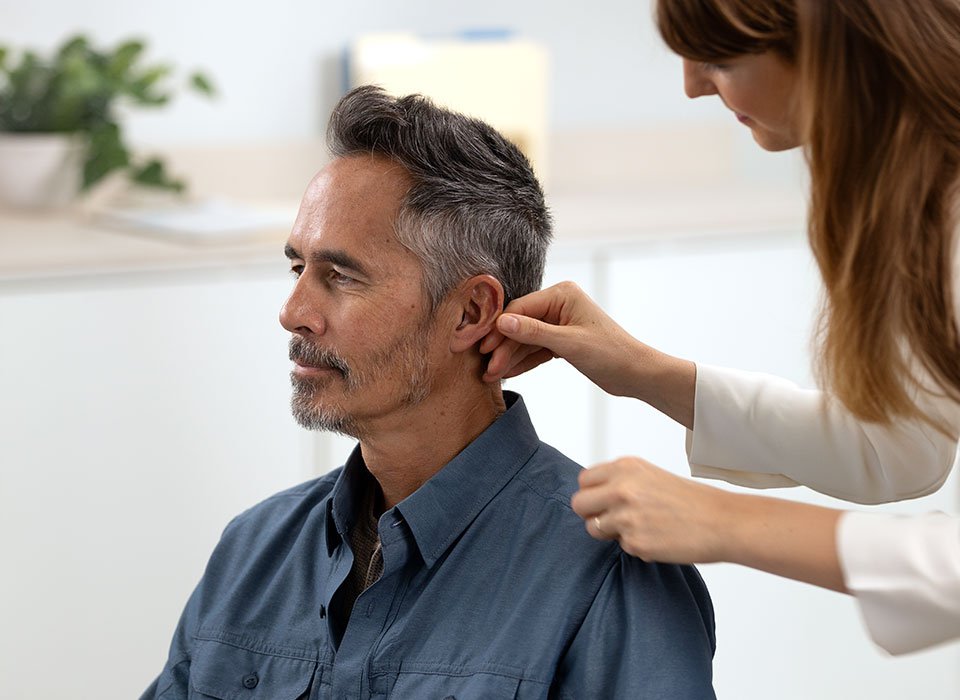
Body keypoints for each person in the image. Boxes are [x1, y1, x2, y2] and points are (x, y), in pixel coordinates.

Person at [140, 86, 716, 699]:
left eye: (341, 276)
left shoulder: (611, 574)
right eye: (296, 269)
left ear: (471, 312)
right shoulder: (254, 549)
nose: (294, 312)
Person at [482, 0, 960, 656]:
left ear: (834, 43)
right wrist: (648, 374)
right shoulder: (916, 192)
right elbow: (900, 448)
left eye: (719, 58)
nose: (692, 85)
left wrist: (727, 521)